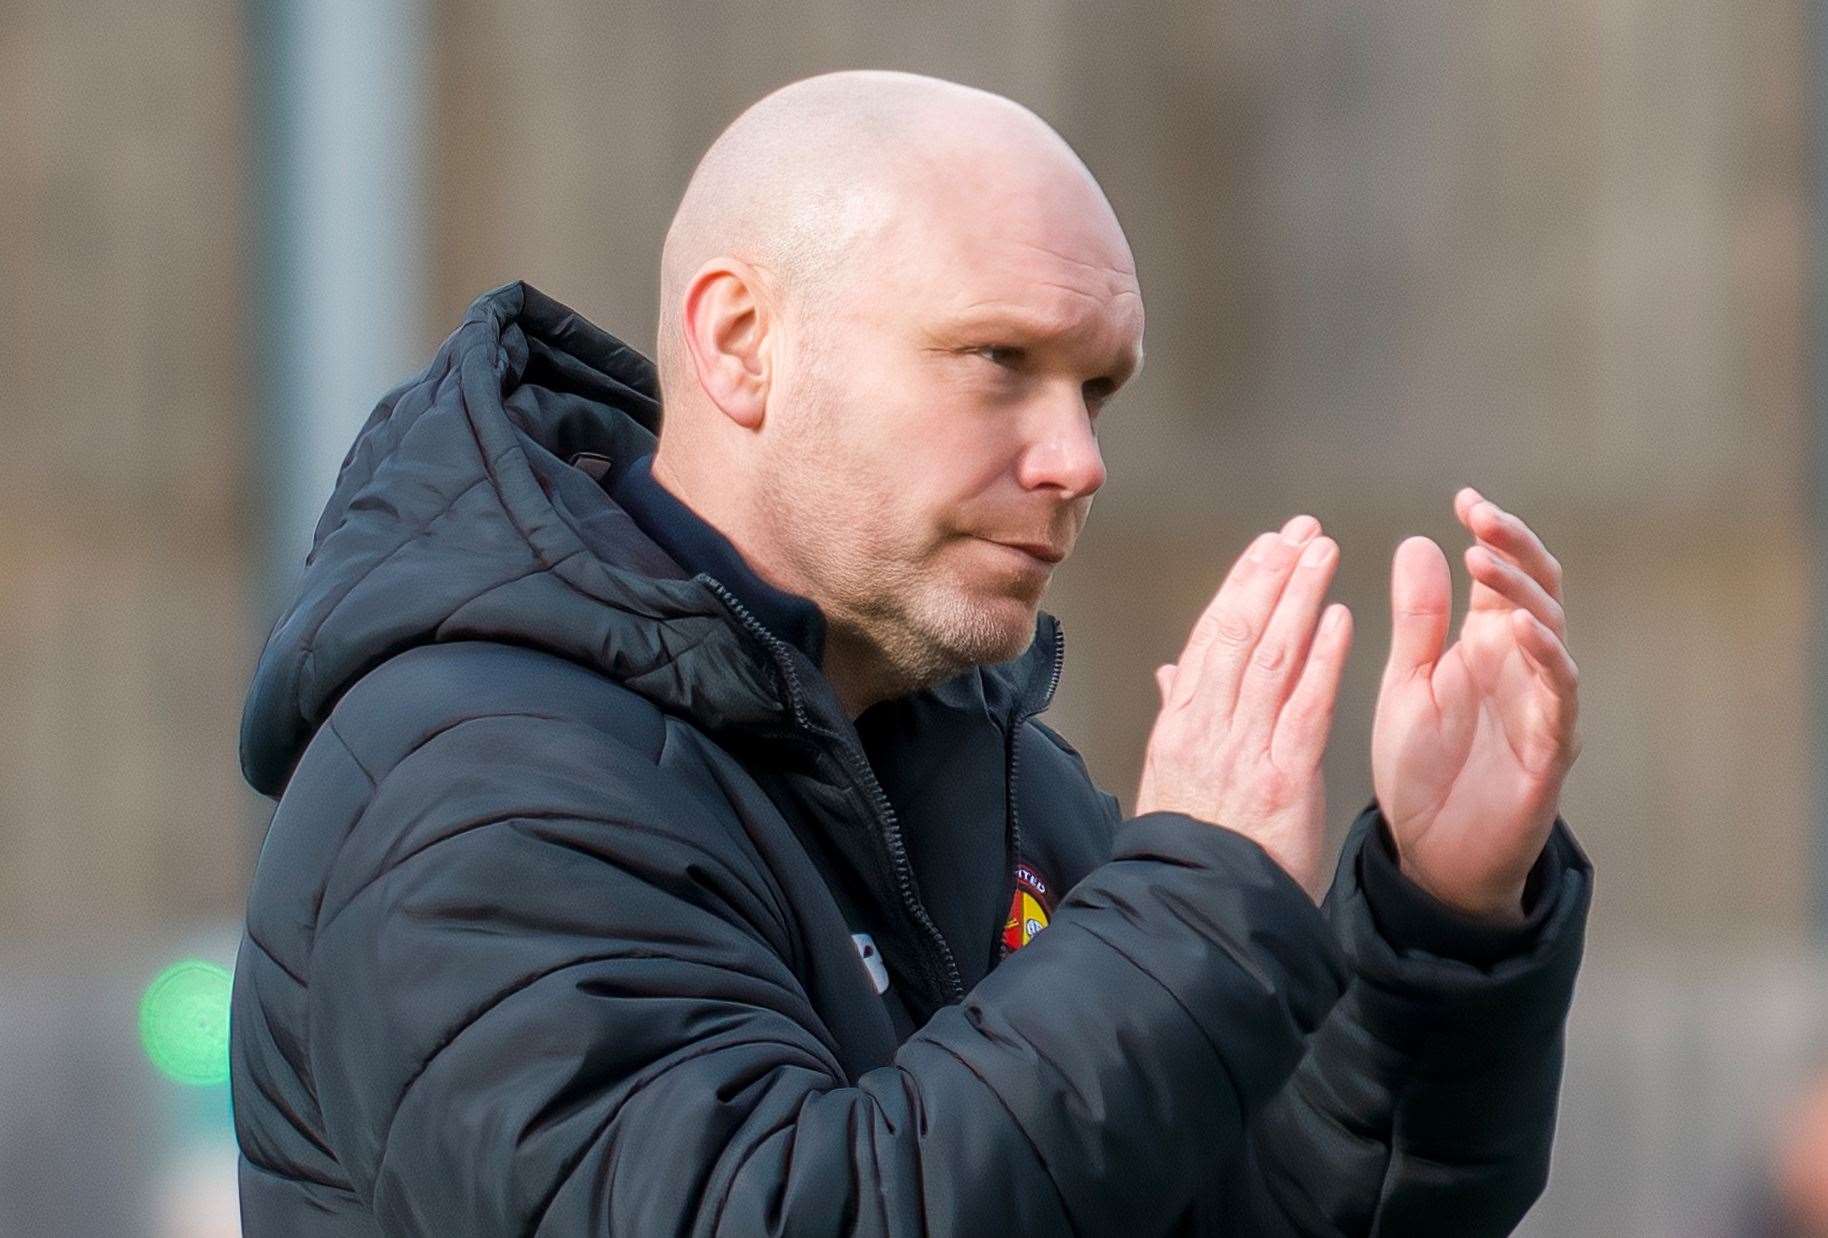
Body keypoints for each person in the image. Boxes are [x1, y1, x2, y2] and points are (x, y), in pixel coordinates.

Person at [229, 69, 1592, 1235]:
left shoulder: (968, 755)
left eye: (1098, 388)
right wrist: (1189, 914)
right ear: (743, 342)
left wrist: (1439, 915)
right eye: (999, 358)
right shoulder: (479, 780)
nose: (1079, 460)